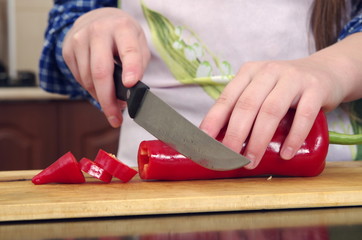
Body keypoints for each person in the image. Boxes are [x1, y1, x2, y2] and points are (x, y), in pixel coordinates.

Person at [39, 0, 362, 168]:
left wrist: (334, 67)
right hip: (150, 183)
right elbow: (67, 19)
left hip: (322, 177)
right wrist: (84, 28)